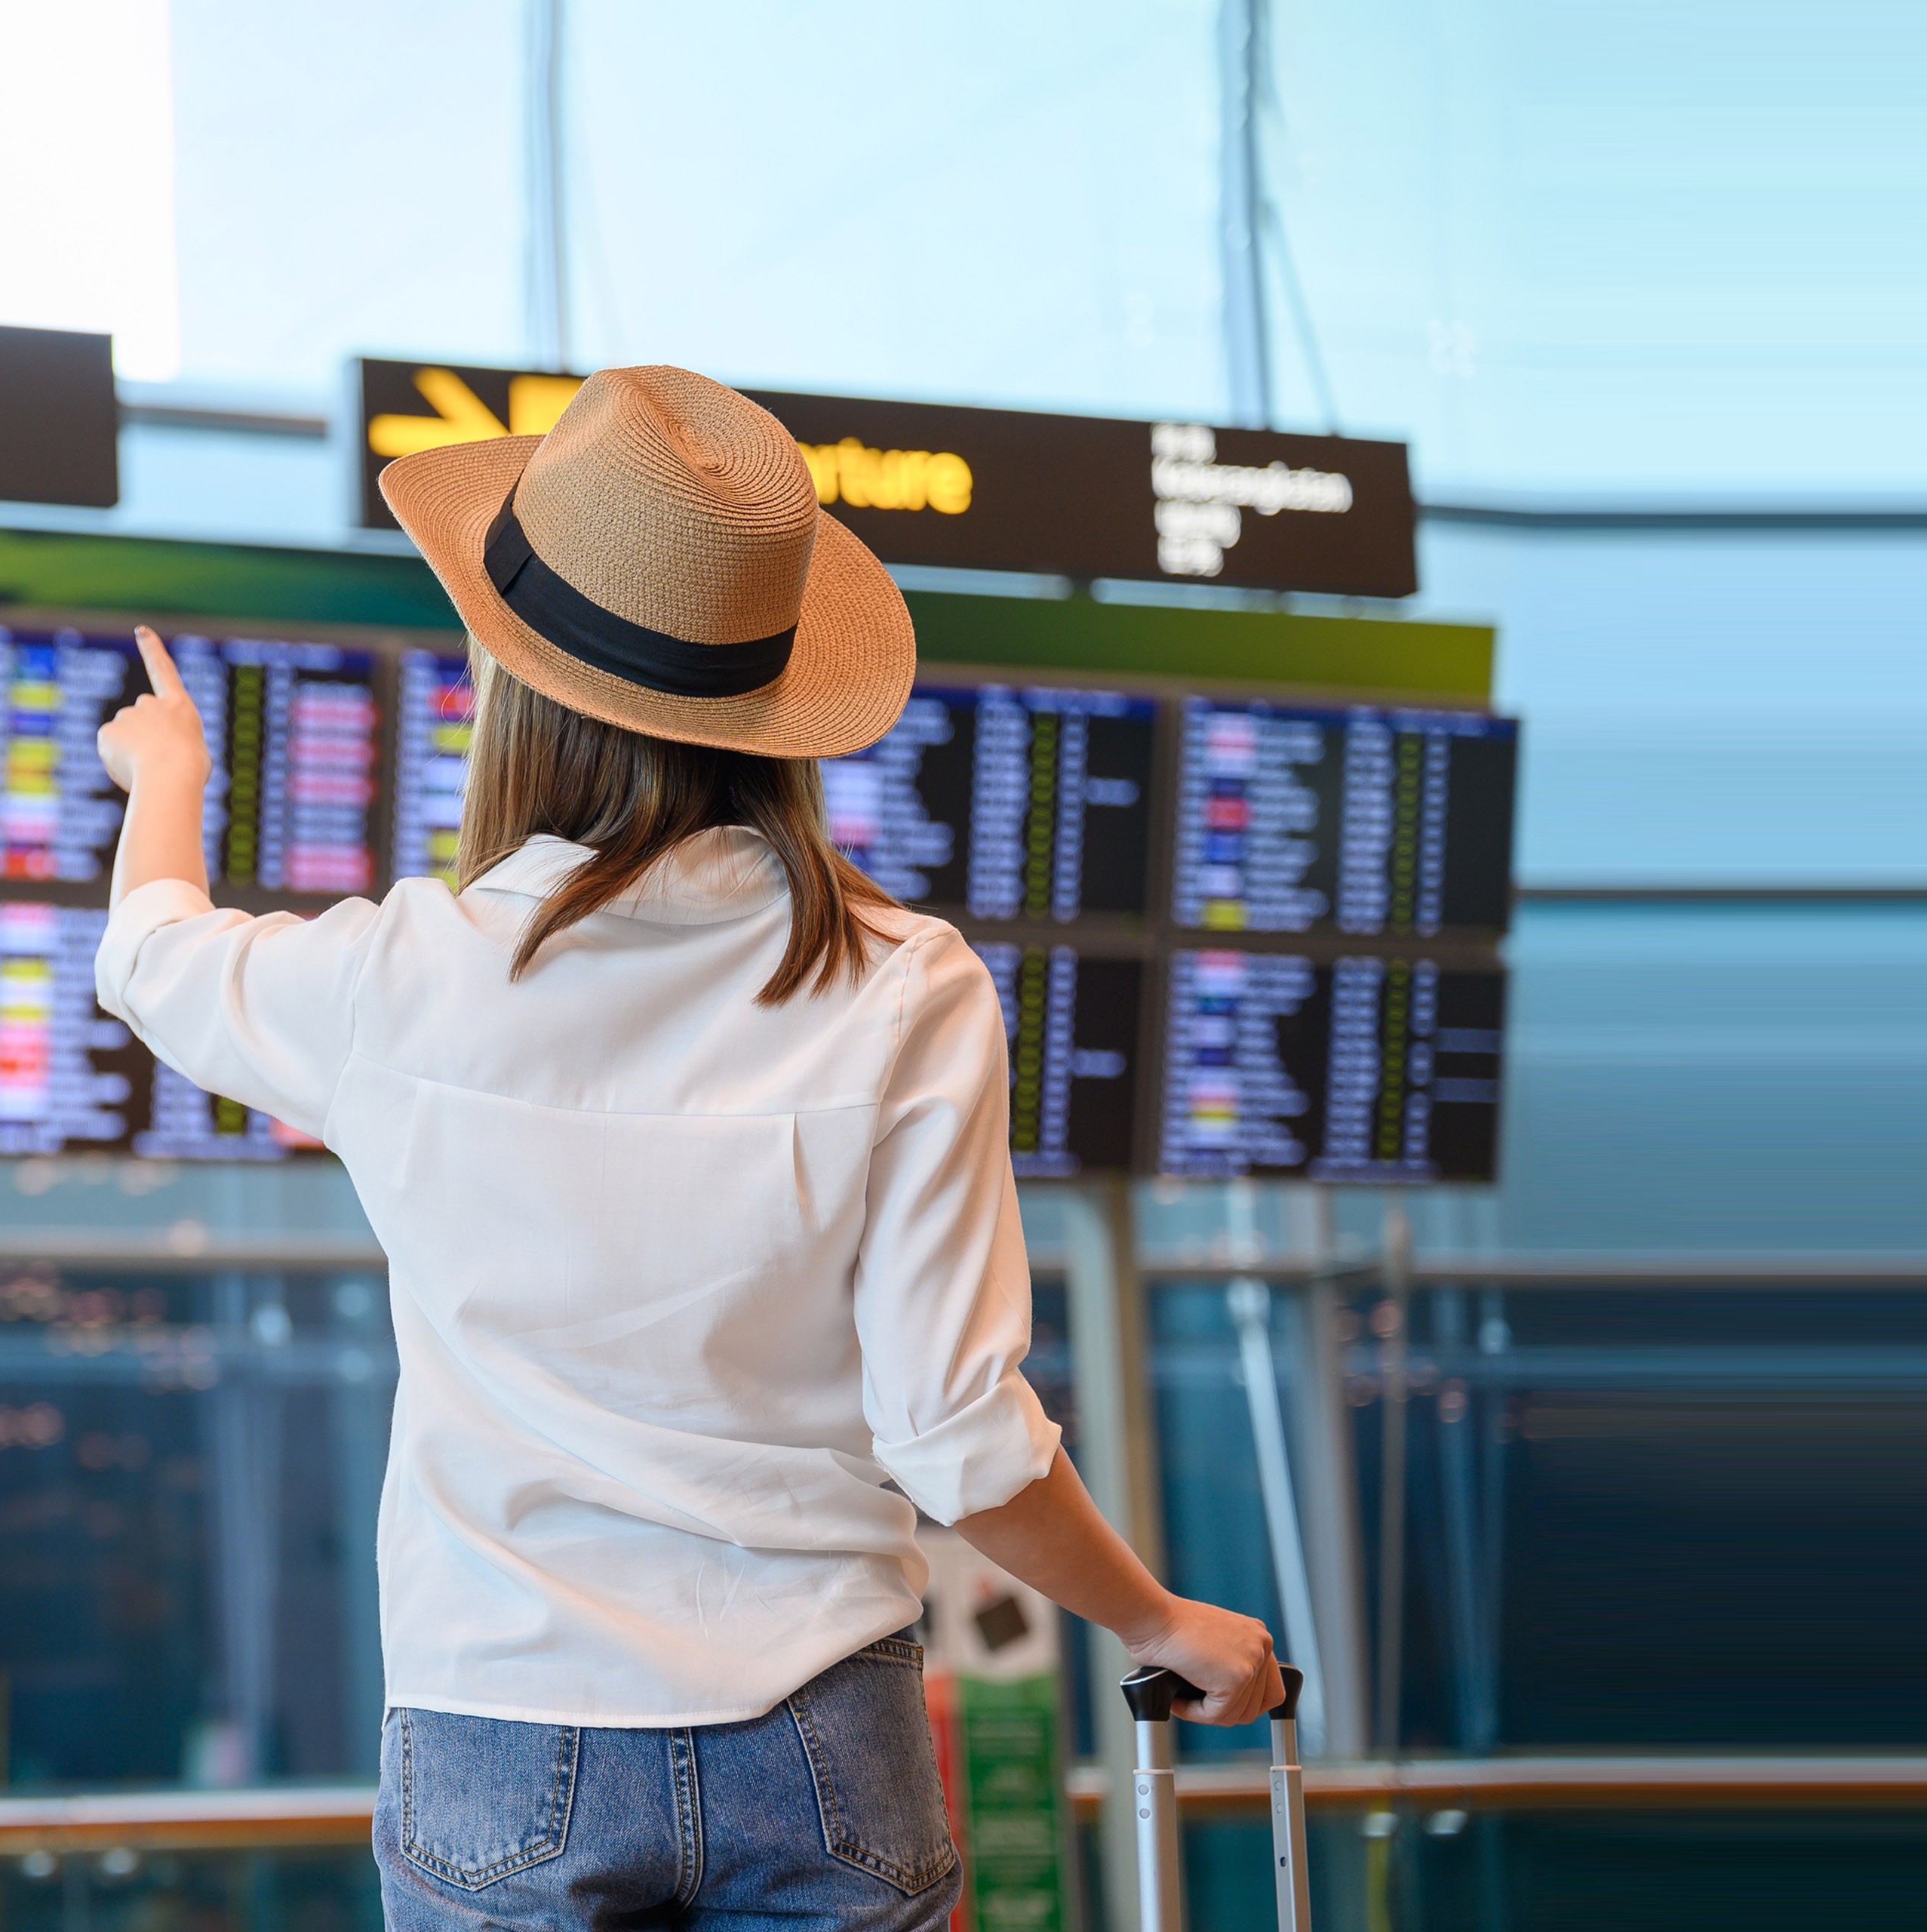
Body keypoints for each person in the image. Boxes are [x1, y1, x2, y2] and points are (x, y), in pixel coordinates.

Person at [93, 365, 1280, 1932]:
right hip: (824, 1737)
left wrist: (165, 775)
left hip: (494, 1725)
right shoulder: (907, 984)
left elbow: (155, 957)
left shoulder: (403, 977)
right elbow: (951, 1427)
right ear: (774, 707)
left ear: (516, 680)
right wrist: (1158, 1615)